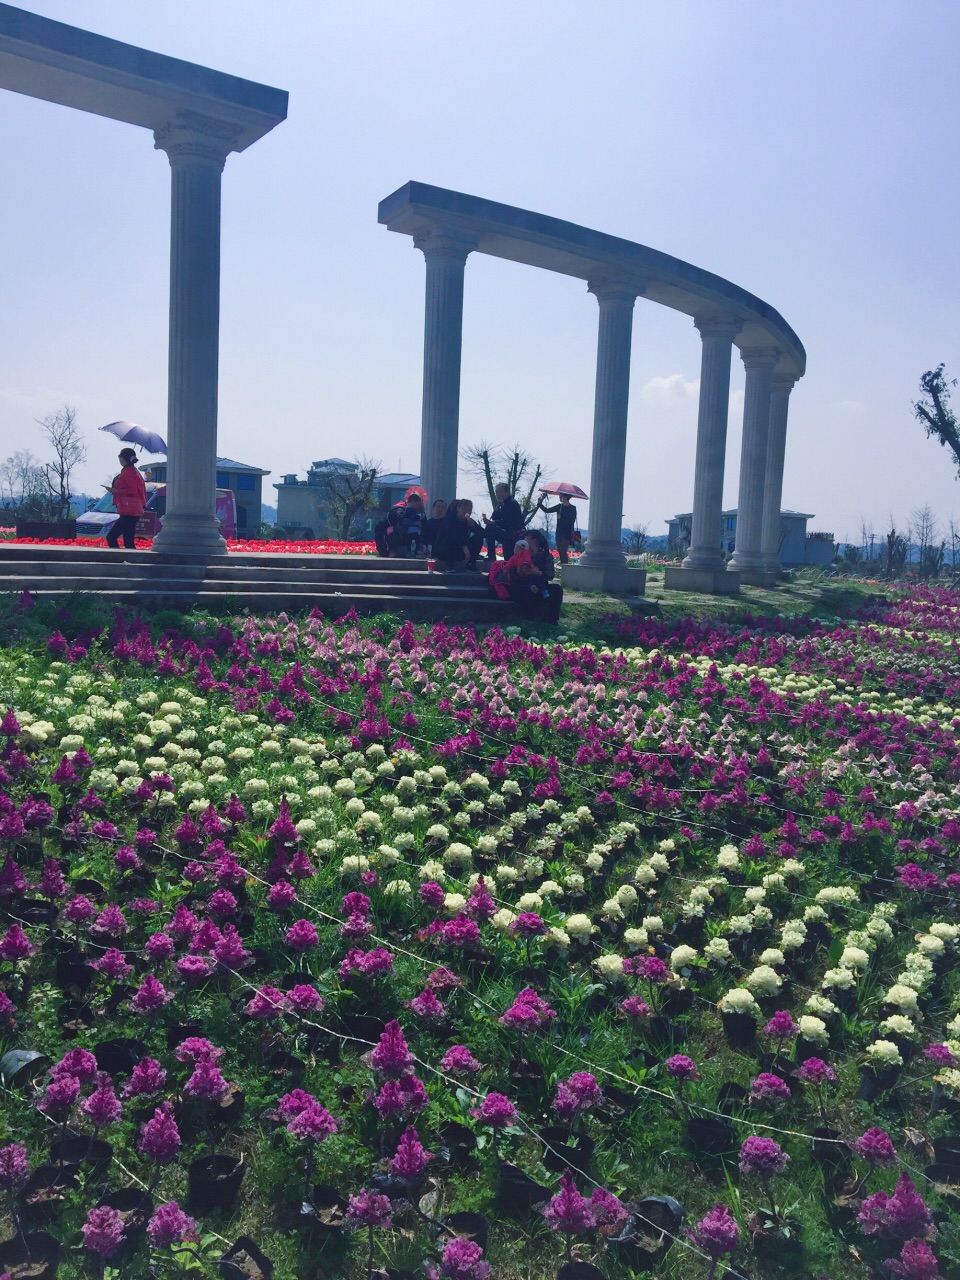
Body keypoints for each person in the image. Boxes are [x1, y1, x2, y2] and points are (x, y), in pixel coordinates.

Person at [508, 529, 563, 623]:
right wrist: (519, 570)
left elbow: (550, 575)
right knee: (525, 591)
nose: (524, 538)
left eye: (526, 537)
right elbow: (511, 569)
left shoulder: (546, 556)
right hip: (524, 584)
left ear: (534, 540)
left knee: (556, 589)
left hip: (541, 585)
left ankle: (553, 619)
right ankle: (530, 618)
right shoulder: (520, 553)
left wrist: (535, 572)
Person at [105, 448, 147, 549]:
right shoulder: (133, 471)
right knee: (128, 539)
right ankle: (129, 560)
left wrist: (117, 491)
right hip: (133, 509)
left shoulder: (128, 472)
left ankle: (117, 560)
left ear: (123, 459)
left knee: (112, 536)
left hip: (129, 510)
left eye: (119, 457)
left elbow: (132, 491)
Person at [433, 498, 484, 570]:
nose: (467, 511)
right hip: (444, 551)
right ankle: (449, 565)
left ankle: (471, 564)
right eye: (464, 508)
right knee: (450, 539)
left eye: (469, 509)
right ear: (458, 508)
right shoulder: (449, 518)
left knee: (478, 538)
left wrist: (475, 526)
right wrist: (464, 546)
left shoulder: (468, 521)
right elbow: (453, 534)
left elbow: (483, 534)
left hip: (460, 552)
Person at [482, 483, 525, 561]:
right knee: (489, 528)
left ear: (507, 492)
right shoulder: (503, 504)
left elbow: (506, 523)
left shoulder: (512, 503)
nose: (498, 495)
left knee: (490, 527)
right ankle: (491, 556)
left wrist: (492, 523)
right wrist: (497, 507)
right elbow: (495, 517)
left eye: (500, 492)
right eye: (496, 492)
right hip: (507, 532)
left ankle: (491, 557)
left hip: (513, 534)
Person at [536, 492, 578, 564]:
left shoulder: (572, 508)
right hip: (559, 533)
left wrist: (561, 518)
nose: (559, 497)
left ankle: (565, 567)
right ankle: (563, 566)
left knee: (563, 550)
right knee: (560, 551)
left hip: (567, 534)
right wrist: (539, 503)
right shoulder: (559, 507)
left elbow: (572, 521)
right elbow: (547, 510)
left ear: (565, 497)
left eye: (561, 496)